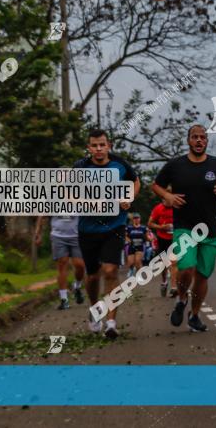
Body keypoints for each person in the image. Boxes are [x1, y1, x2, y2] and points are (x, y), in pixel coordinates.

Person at [153, 124, 216, 333]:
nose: (199, 140)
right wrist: (168, 196)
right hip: (185, 228)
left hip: (210, 230)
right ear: (188, 140)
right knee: (186, 267)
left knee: (202, 276)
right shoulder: (175, 165)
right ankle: (181, 299)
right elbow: (155, 185)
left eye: (203, 137)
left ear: (207, 141)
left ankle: (195, 315)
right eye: (195, 137)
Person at [74, 129, 140, 339]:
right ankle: (95, 310)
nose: (99, 149)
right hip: (88, 229)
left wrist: (128, 198)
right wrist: (79, 201)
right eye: (94, 145)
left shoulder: (120, 165)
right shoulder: (80, 167)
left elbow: (136, 181)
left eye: (102, 145)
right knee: (92, 276)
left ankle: (111, 322)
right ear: (89, 147)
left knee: (111, 270)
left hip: (114, 227)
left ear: (108, 145)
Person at [34, 215, 85, 310]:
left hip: (77, 236)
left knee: (80, 265)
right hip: (58, 237)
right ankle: (64, 299)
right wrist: (38, 233)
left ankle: (77, 287)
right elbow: (41, 216)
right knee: (62, 264)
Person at [148, 201, 176, 297]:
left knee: (174, 262)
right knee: (164, 264)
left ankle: (173, 287)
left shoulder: (177, 206)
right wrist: (161, 227)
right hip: (162, 239)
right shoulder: (158, 208)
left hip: (174, 238)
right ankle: (164, 282)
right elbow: (150, 223)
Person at [125, 213, 147, 278]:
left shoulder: (143, 227)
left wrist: (150, 239)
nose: (136, 220)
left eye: (137, 218)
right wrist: (128, 240)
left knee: (137, 261)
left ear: (140, 219)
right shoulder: (129, 227)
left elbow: (147, 236)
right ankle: (131, 269)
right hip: (131, 246)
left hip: (140, 246)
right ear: (133, 220)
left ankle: (139, 275)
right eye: (135, 218)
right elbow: (125, 235)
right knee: (130, 263)